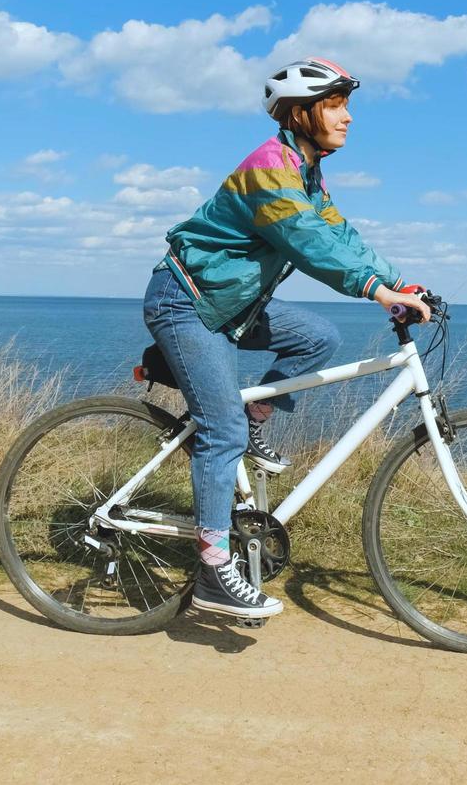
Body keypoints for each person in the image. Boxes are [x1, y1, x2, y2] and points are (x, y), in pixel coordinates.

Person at [141, 57, 433, 619]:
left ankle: (252, 427)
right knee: (218, 429)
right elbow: (307, 242)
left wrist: (399, 282)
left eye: (347, 105)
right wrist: (377, 291)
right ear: (301, 114)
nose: (347, 118)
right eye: (335, 105)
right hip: (186, 304)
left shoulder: (305, 171)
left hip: (232, 308)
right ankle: (212, 570)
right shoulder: (270, 169)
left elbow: (337, 233)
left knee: (317, 337)